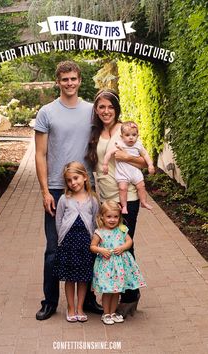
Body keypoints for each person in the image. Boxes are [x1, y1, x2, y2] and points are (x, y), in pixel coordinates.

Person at [34, 60, 102, 321]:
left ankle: (91, 300)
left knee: (91, 245)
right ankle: (50, 302)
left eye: (73, 79)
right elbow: (40, 154)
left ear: (80, 80)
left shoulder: (90, 111)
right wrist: (44, 191)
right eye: (65, 80)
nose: (70, 83)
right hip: (56, 188)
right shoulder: (47, 112)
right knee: (54, 248)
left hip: (87, 189)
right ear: (57, 81)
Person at [86, 89, 147, 318]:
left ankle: (130, 295)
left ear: (116, 108)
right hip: (105, 199)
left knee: (125, 245)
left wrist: (127, 157)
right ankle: (108, 291)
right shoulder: (95, 133)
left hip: (127, 198)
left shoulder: (126, 131)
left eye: (110, 107)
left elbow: (142, 161)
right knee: (107, 244)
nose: (106, 111)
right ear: (96, 110)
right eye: (101, 107)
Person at [53, 161, 99, 322]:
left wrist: (94, 242)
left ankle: (80, 307)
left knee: (83, 277)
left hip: (85, 244)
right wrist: (62, 239)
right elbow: (58, 221)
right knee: (70, 278)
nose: (73, 183)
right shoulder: (64, 199)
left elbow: (95, 221)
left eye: (76, 178)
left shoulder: (92, 200)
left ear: (85, 177)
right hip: (68, 244)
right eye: (69, 180)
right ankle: (71, 308)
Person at [90, 200, 146, 325]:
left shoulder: (122, 229)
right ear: (102, 217)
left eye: (115, 216)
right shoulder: (100, 232)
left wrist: (123, 247)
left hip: (119, 266)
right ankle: (106, 313)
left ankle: (113, 312)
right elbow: (92, 246)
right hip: (106, 266)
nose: (112, 220)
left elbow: (129, 241)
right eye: (109, 216)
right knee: (108, 291)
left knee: (116, 291)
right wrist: (101, 250)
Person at [102, 120, 155, 213]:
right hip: (123, 173)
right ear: (122, 136)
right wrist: (105, 164)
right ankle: (124, 206)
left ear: (137, 136)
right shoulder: (120, 144)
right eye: (127, 135)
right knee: (123, 188)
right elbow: (109, 153)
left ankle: (143, 202)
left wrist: (150, 165)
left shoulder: (138, 145)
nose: (131, 138)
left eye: (134, 135)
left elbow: (145, 155)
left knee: (141, 186)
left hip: (135, 172)